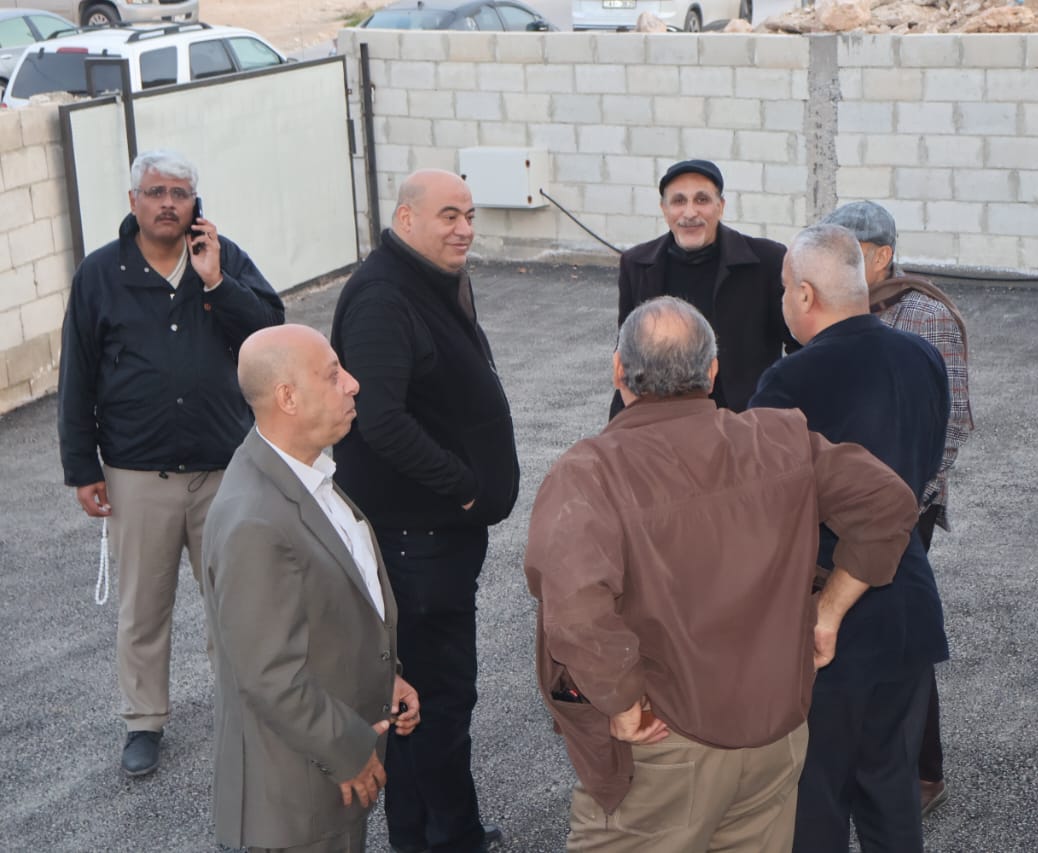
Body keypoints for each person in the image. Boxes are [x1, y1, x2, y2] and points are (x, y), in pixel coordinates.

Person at [526, 296, 919, 853]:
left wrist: (622, 701)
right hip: (775, 741)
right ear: (712, 372)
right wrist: (827, 614)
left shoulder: (590, 473)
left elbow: (576, 610)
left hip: (665, 746)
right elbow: (890, 503)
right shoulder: (780, 439)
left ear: (617, 370)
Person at [56, 149, 283, 777]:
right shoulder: (100, 274)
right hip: (138, 475)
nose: (167, 203)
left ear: (195, 203)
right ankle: (143, 721)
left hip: (224, 473)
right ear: (134, 201)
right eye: (155, 192)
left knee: (236, 600)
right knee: (143, 608)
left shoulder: (224, 258)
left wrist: (217, 282)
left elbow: (269, 332)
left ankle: (244, 709)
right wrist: (82, 467)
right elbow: (77, 375)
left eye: (179, 193)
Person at [330, 169, 518, 853]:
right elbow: (379, 419)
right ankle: (442, 839)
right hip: (415, 543)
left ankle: (438, 833)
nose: (464, 228)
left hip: (436, 540)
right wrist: (464, 486)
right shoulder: (383, 297)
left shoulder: (431, 279)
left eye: (469, 215)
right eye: (448, 216)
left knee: (428, 701)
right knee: (432, 702)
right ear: (406, 219)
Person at [749, 225, 950, 853]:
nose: (783, 300)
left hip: (826, 618)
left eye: (785, 288)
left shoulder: (790, 383)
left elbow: (762, 511)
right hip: (908, 601)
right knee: (892, 794)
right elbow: (924, 471)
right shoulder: (923, 358)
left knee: (814, 802)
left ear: (805, 294)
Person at [202, 324, 421, 853]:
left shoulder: (302, 473)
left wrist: (385, 676)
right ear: (288, 398)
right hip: (298, 801)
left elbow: (330, 608)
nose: (353, 383)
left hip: (319, 778)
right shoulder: (255, 522)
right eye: (332, 374)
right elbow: (270, 675)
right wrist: (349, 750)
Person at [821, 200, 975, 816]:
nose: (836, 263)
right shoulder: (839, 307)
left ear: (882, 255)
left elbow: (949, 424)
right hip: (841, 504)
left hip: (904, 506)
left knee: (901, 634)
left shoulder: (924, 315)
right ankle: (866, 759)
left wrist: (904, 503)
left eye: (849, 253)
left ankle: (923, 772)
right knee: (855, 629)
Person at [611, 158, 793, 416]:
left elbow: (798, 345)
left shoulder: (766, 261)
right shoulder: (637, 264)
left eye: (702, 200)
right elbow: (627, 349)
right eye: (678, 201)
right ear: (664, 209)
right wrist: (620, 423)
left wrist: (776, 406)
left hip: (742, 420)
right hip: (661, 418)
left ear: (720, 206)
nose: (690, 213)